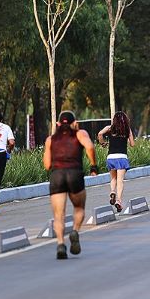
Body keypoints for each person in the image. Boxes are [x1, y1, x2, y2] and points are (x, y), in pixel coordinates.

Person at [43, 110, 98, 260]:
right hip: (75, 174)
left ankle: (61, 244)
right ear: (75, 123)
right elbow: (90, 147)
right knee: (79, 208)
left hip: (57, 176)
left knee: (58, 215)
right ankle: (74, 231)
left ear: (58, 124)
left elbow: (47, 165)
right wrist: (93, 166)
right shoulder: (80, 134)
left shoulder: (50, 139)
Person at [97, 111, 135, 213]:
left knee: (113, 178)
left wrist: (103, 143)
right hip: (122, 157)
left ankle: (112, 191)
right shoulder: (127, 130)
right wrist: (127, 137)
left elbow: (100, 134)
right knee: (120, 180)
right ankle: (118, 200)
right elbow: (132, 144)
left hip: (111, 157)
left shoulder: (110, 128)